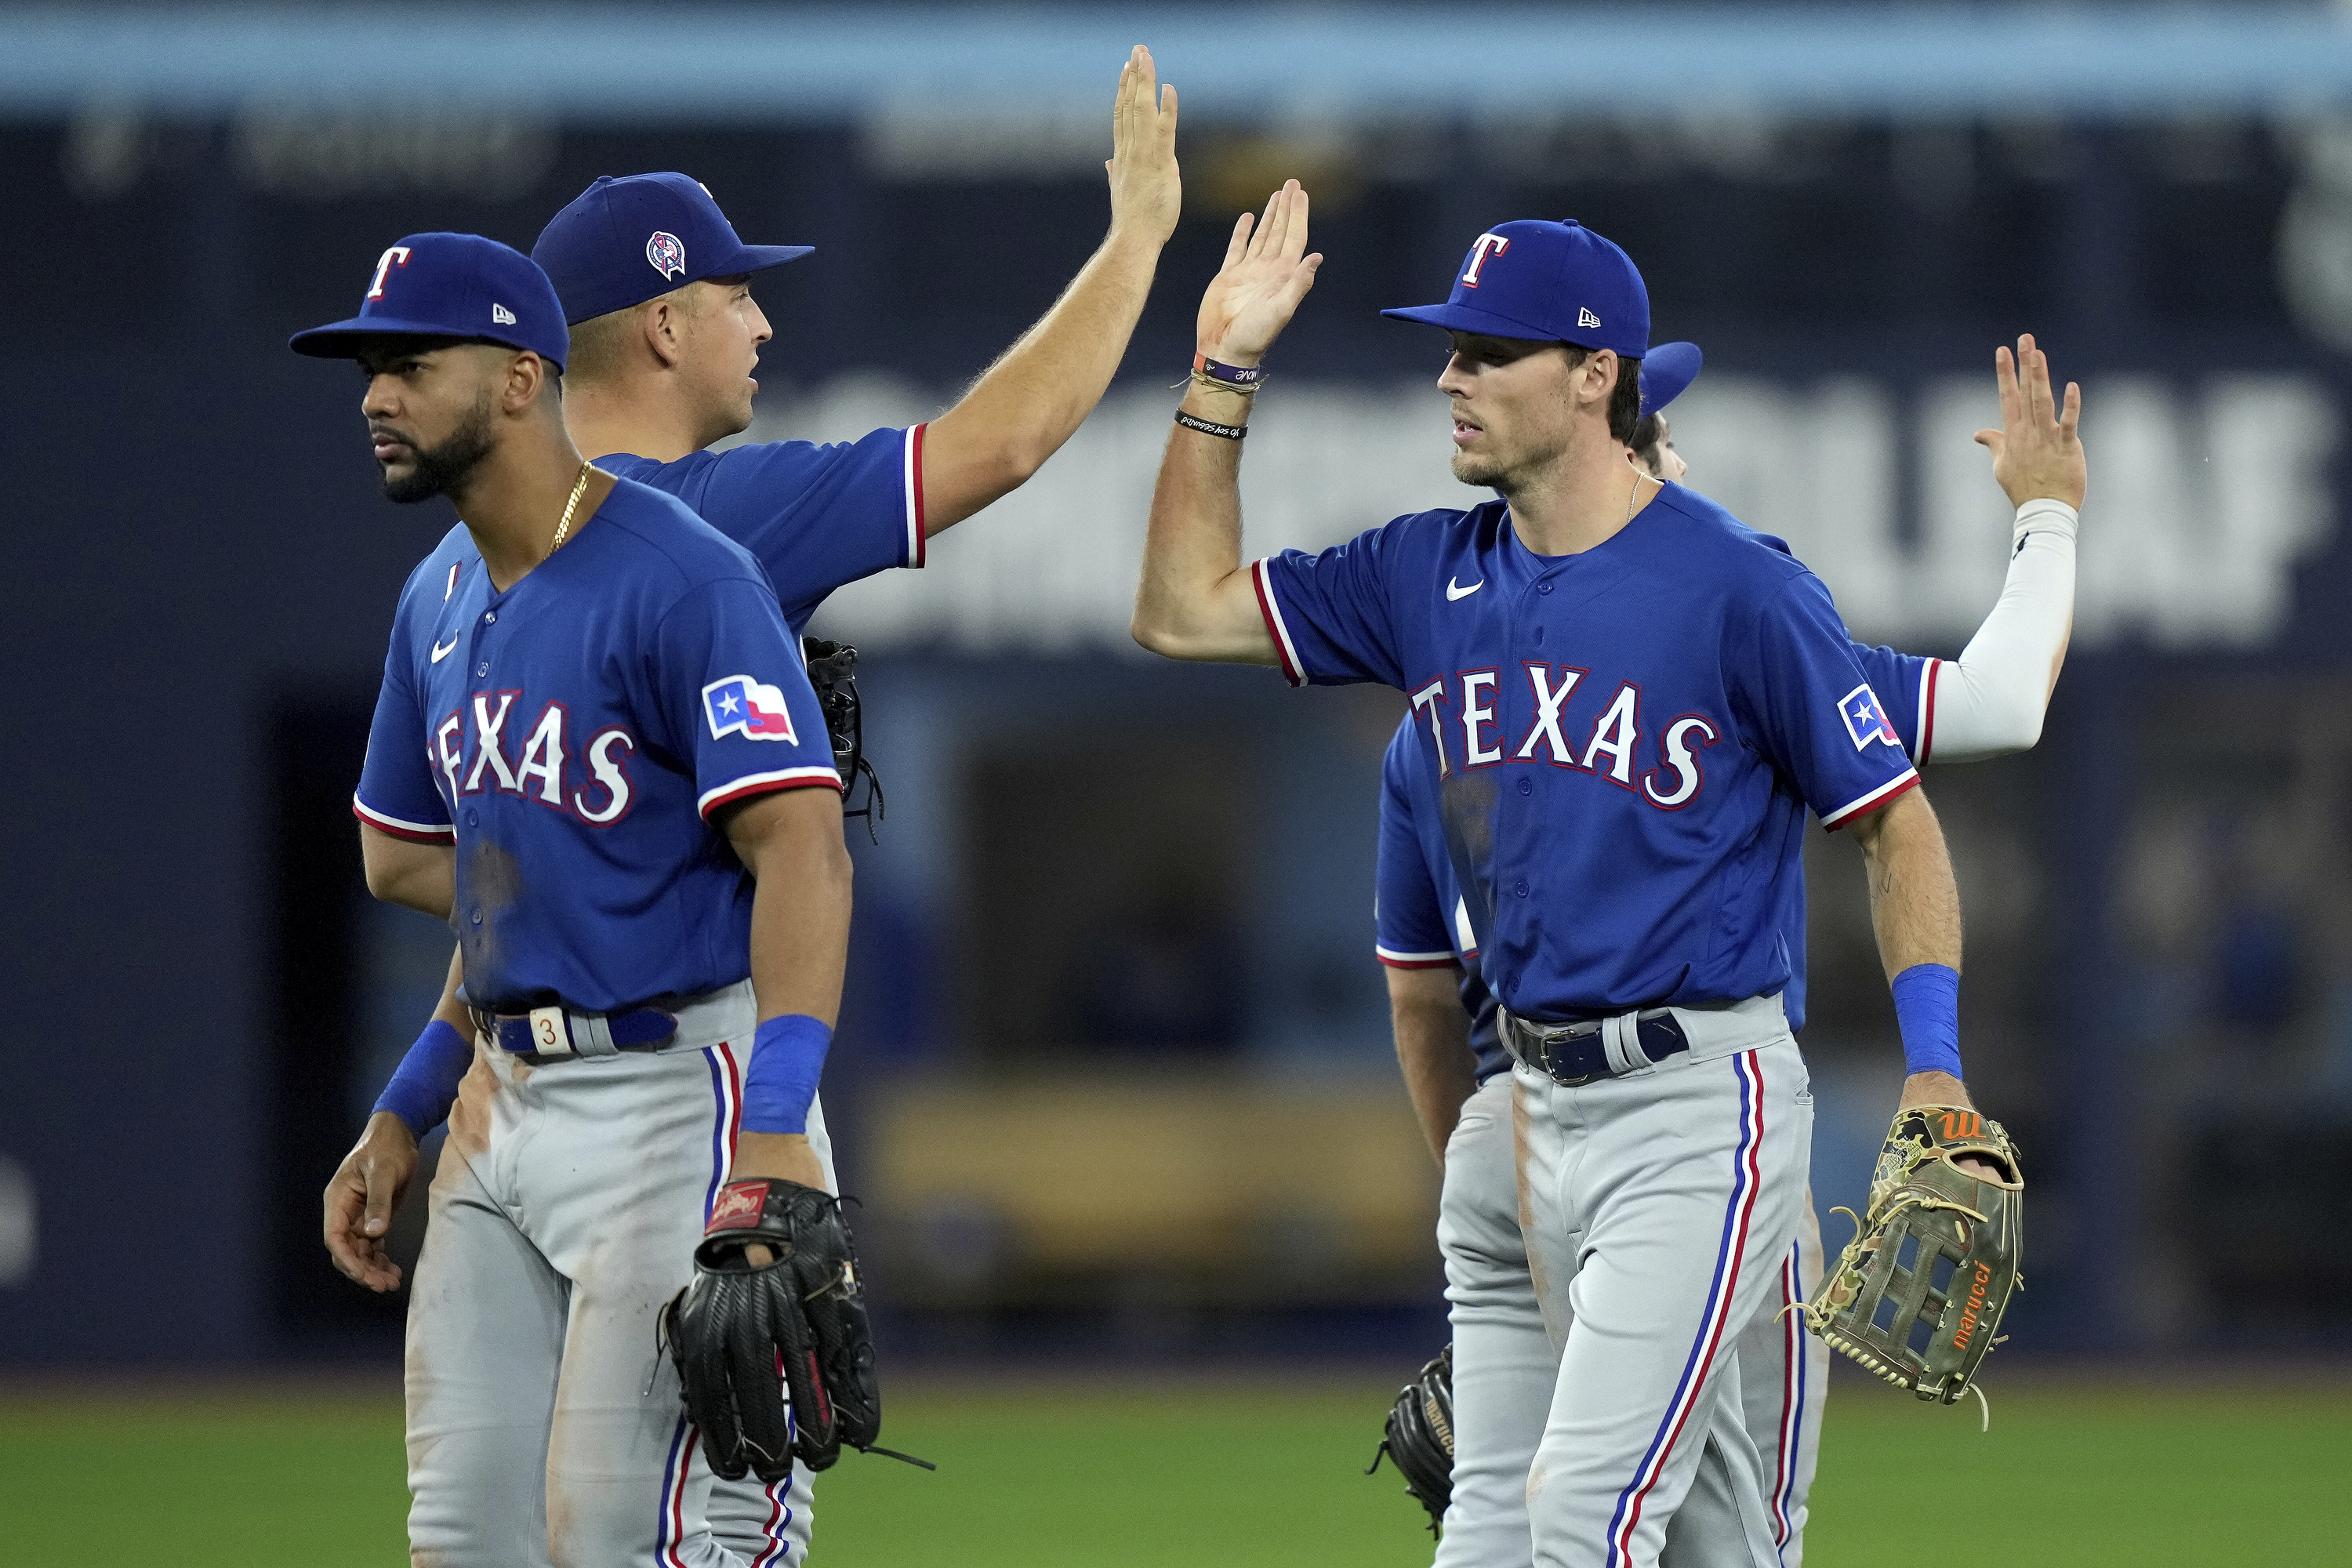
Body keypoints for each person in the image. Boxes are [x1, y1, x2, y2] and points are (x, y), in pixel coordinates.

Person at [324, 49, 1182, 1560]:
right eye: (735, 294)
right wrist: (1135, 246)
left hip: (686, 1076)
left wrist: (758, 1099)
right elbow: (1003, 442)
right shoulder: (653, 528)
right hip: (518, 1089)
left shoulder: (679, 547)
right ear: (663, 322)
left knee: (644, 1530)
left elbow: (553, 870)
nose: (763, 320)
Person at [1132, 194, 2078, 1565]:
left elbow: (1923, 790)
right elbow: (1178, 608)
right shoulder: (1427, 585)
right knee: (1544, 1541)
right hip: (1523, 1116)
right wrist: (1222, 372)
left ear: (1599, 389)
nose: (1449, 377)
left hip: (1696, 1111)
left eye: (1486, 352)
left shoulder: (1743, 597)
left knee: (1592, 1523)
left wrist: (1934, 1067)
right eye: (1449, 349)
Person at [1377, 338, 2085, 1565]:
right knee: (1713, 1541)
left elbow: (1420, 1009)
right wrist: (2048, 518)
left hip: (1550, 1133)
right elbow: (2001, 701)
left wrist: (1515, 1231)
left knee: (1560, 1528)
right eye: (1664, 430)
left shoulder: (1443, 715)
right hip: (1689, 1135)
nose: (1677, 450)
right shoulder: (1729, 638)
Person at [299, 232, 851, 1567]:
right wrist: (407, 1103)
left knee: (635, 1539)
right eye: (369, 367)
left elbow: (807, 855)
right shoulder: (433, 598)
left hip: (679, 1099)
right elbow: (449, 875)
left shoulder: (686, 577)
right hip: (503, 1113)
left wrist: (773, 1135)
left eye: (409, 364)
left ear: (517, 380)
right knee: (464, 1538)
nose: (375, 394)